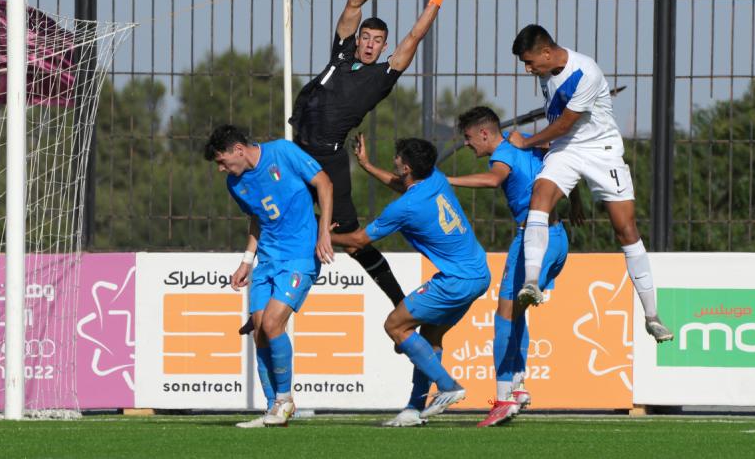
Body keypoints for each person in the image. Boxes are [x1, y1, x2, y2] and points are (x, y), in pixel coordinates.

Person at [287, 0, 456, 310]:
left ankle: (400, 301)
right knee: (271, 210)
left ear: (383, 48)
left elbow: (414, 37)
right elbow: (352, 4)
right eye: (366, 37)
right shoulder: (342, 53)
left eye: (377, 41)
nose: (369, 44)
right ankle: (274, 281)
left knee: (353, 241)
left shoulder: (384, 75)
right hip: (295, 151)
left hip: (329, 161)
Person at [507, 24, 673, 342]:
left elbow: (564, 124)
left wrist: (526, 142)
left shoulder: (586, 71)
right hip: (566, 150)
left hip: (602, 152)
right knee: (539, 199)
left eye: (530, 62)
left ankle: (652, 315)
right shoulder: (544, 73)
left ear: (546, 52)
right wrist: (575, 194)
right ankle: (531, 283)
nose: (528, 70)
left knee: (625, 229)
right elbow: (562, 131)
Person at [332, 136, 490, 426]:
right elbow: (400, 185)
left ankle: (448, 386)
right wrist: (366, 165)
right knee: (430, 337)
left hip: (456, 280)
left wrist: (316, 235)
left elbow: (357, 241)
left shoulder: (403, 209)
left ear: (406, 167)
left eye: (396, 158)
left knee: (395, 325)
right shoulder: (436, 178)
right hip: (479, 273)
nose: (393, 160)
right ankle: (413, 410)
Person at [447, 105, 580, 427]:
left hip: (532, 239)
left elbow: (495, 180)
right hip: (558, 237)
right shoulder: (523, 142)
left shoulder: (503, 154)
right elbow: (566, 161)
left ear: (483, 133)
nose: (467, 145)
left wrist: (446, 180)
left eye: (468, 139)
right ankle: (518, 387)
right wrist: (576, 202)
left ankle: (503, 397)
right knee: (518, 310)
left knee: (503, 316)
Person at [203, 125, 334, 428]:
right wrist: (247, 261)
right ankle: (272, 408)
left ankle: (285, 401)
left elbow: (324, 183)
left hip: (300, 255)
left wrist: (323, 231)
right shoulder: (235, 185)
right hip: (267, 260)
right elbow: (257, 219)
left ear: (238, 149)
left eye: (223, 161)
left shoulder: (282, 152)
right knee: (260, 329)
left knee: (274, 322)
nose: (222, 169)